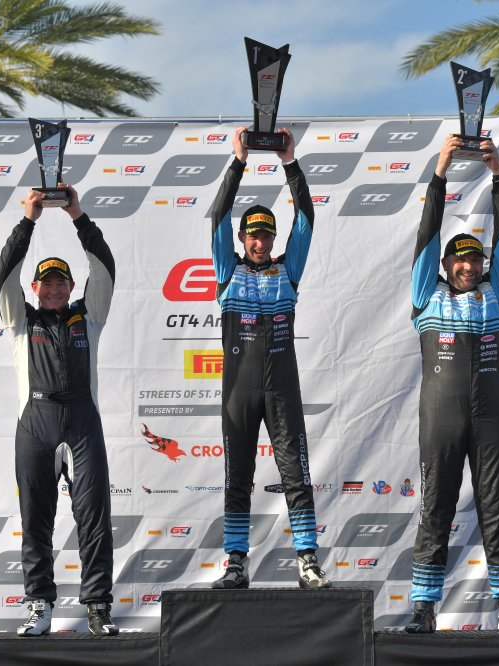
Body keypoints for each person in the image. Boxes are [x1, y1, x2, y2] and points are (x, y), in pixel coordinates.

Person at [405, 135, 499, 633]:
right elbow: (427, 233)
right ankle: (423, 607)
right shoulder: (425, 295)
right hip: (441, 420)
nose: (467, 266)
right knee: (435, 509)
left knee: (498, 511)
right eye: (459, 260)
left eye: (474, 260)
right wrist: (440, 169)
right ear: (445, 265)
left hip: (491, 418)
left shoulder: (496, 293)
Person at [207, 126, 331, 590]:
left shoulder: (287, 271)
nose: (260, 242)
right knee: (237, 478)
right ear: (242, 238)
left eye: (267, 235)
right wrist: (239, 161)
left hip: (281, 391)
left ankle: (307, 560)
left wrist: (289, 161)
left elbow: (307, 218)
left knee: (295, 474)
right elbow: (218, 214)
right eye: (253, 235)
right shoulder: (227, 271)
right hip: (239, 394)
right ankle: (235, 562)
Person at [0, 183, 119, 636]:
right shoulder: (20, 320)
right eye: (45, 282)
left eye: (60, 282)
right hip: (36, 424)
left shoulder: (89, 315)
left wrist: (77, 216)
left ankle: (98, 606)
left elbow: (104, 268)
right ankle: (39, 605)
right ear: (35, 288)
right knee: (36, 519)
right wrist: (28, 221)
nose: (52, 289)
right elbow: (4, 274)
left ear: (70, 287)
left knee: (94, 516)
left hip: (82, 422)